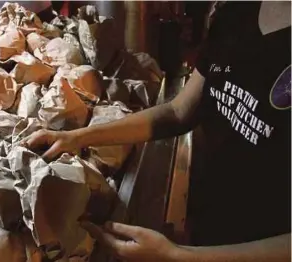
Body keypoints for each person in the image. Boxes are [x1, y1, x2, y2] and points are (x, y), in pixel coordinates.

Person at [22, 1, 291, 261]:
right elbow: (178, 112)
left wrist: (177, 256)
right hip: (210, 220)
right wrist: (78, 137)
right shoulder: (236, 15)